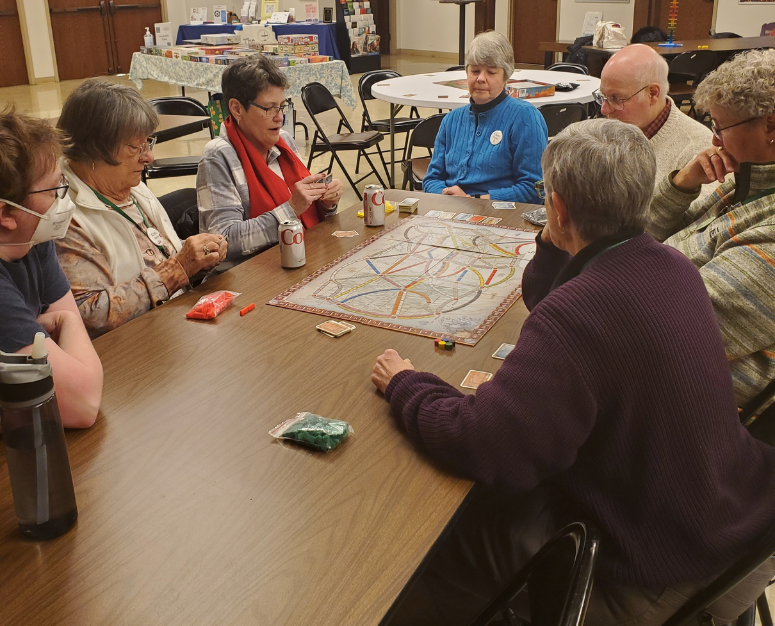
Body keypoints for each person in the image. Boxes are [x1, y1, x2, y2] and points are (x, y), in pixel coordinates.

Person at [372, 119, 775, 626]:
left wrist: (407, 383)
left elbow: (487, 446)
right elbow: (554, 295)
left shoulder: (578, 316)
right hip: (742, 523)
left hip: (666, 570)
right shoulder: (671, 265)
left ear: (558, 206)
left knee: (440, 542)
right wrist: (558, 229)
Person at [648, 49, 775, 406]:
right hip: (658, 368)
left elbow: (679, 326)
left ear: (770, 125)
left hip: (689, 404)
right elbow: (646, 233)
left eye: (720, 127)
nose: (714, 141)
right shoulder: (742, 182)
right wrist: (683, 184)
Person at [55, 80, 227, 338]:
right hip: (132, 350)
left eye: (148, 143)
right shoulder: (65, 217)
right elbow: (89, 314)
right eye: (135, 147)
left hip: (172, 328)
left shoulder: (130, 187)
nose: (149, 157)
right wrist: (177, 269)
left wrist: (200, 259)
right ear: (94, 151)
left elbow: (157, 252)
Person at [0, 107, 103, 429]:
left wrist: (66, 326)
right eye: (53, 190)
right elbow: (83, 404)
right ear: (6, 214)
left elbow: (70, 361)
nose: (63, 201)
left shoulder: (31, 242)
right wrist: (69, 321)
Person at [197, 56, 344, 269]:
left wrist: (325, 203)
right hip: (252, 276)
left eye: (282, 107)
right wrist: (292, 209)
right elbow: (223, 241)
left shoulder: (283, 140)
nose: (280, 118)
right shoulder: (217, 156)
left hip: (299, 256)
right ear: (237, 109)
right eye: (269, 108)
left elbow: (308, 216)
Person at [423, 31, 547, 203]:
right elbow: (431, 179)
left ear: (506, 77)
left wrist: (473, 200)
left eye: (491, 72)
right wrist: (447, 196)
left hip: (501, 215)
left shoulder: (525, 117)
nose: (481, 78)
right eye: (475, 71)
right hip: (450, 209)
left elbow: (535, 189)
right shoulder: (451, 120)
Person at [597, 43, 712, 182]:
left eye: (615, 98)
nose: (604, 109)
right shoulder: (613, 128)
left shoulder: (698, 150)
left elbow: (704, 204)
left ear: (652, 94)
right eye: (602, 96)